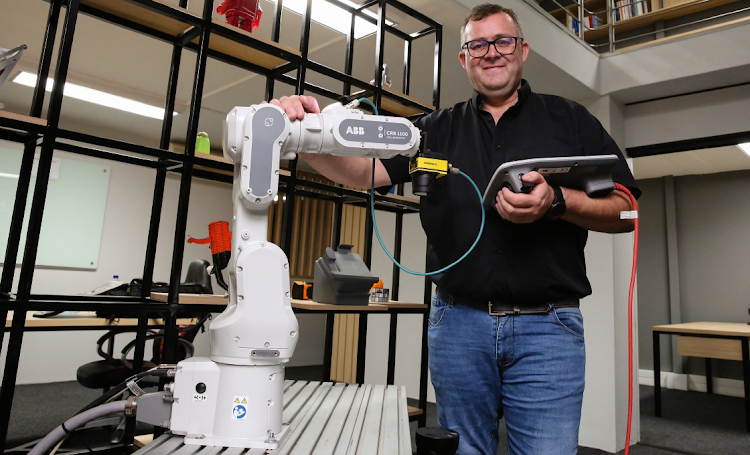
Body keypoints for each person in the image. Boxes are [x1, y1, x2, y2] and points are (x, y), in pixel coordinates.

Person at [270, 4, 640, 454]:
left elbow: (626, 211)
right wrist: (300, 131)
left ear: (522, 50)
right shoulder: (432, 131)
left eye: (503, 41)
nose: (491, 53)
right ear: (464, 59)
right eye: (477, 45)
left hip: (549, 329)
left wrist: (557, 202)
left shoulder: (572, 121)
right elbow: (361, 172)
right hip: (458, 324)